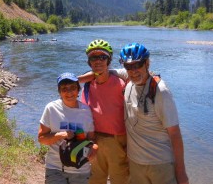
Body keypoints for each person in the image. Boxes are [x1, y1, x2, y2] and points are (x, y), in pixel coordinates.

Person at [120, 42, 189, 184]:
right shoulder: (128, 86)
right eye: (128, 66)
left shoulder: (160, 91)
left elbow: (175, 134)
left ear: (147, 63)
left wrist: (181, 173)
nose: (133, 70)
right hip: (135, 163)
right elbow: (108, 71)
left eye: (137, 65)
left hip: (160, 164)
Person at [80, 39, 129, 184]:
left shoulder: (122, 83)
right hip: (95, 141)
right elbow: (83, 115)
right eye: (93, 57)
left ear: (109, 60)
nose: (98, 61)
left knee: (120, 180)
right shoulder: (87, 86)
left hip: (118, 141)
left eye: (102, 57)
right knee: (94, 180)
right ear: (89, 62)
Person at [38, 72, 98, 184]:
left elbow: (91, 139)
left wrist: (94, 147)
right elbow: (41, 139)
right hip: (55, 168)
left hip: (81, 169)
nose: (69, 92)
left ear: (78, 89)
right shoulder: (51, 108)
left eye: (72, 87)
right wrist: (61, 135)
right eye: (64, 89)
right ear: (59, 92)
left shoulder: (86, 111)